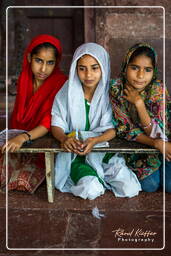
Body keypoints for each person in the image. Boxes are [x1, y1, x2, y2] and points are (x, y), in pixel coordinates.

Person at [51, 42, 141, 200]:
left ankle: (101, 176)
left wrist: (96, 140)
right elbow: (56, 123)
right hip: (76, 154)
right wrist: (64, 138)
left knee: (130, 188)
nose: (88, 75)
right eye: (82, 68)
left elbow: (112, 129)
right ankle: (92, 177)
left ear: (103, 68)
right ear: (75, 68)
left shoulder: (110, 93)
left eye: (94, 68)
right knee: (91, 189)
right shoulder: (67, 91)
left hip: (102, 152)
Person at [0, 34, 67, 193]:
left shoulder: (60, 83)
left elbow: (47, 122)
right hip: (20, 140)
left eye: (50, 63)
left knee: (21, 181)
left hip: (47, 140)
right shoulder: (25, 79)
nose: (43, 69)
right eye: (39, 61)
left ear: (56, 63)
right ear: (29, 57)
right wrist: (17, 138)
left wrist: (23, 137)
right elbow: (18, 119)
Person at [110, 42, 171, 193]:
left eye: (147, 70)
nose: (140, 76)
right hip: (137, 148)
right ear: (126, 67)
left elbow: (159, 132)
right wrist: (155, 143)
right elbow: (125, 130)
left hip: (165, 145)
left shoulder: (158, 89)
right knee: (149, 185)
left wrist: (139, 104)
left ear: (154, 71)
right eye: (135, 68)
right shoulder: (116, 88)